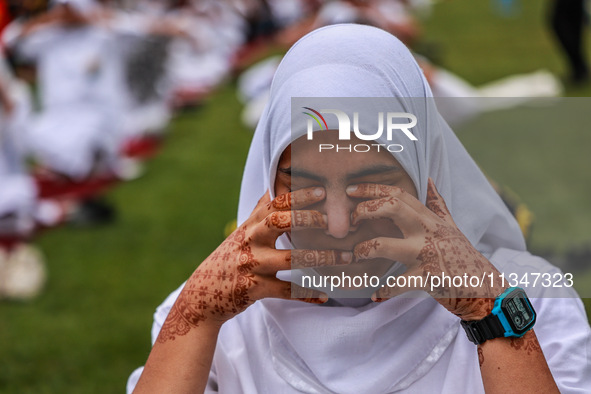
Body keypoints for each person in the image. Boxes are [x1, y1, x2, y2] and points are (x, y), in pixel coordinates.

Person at [128, 24, 591, 393]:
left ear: (423, 169)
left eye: (369, 187)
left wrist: (489, 311)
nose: (335, 224)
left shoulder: (528, 299)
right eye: (301, 185)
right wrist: (194, 317)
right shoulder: (218, 310)